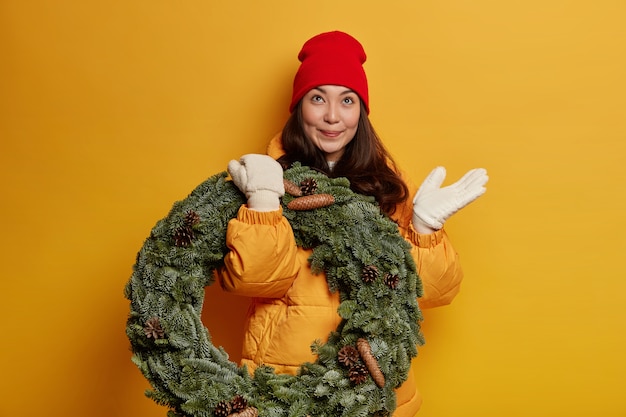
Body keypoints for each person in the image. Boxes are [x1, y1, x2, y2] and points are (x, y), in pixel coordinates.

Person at [217, 31, 488, 416]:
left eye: (347, 100)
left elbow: (430, 294)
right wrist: (263, 202)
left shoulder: (389, 186)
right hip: (284, 383)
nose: (332, 116)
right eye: (318, 98)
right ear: (299, 107)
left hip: (370, 387)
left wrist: (425, 232)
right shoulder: (263, 177)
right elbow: (253, 278)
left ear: (361, 110)